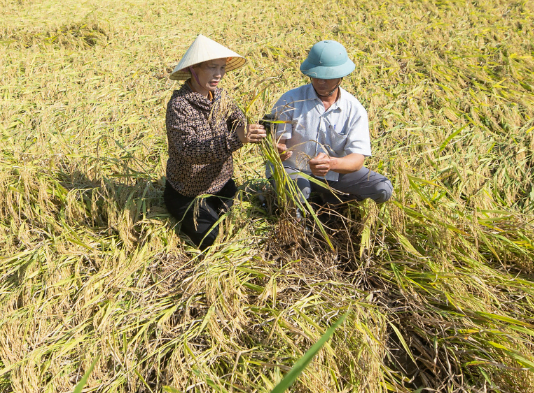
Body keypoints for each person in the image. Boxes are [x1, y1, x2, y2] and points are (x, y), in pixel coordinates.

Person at [163, 34, 267, 248]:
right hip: (187, 191)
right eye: (212, 68)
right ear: (193, 69)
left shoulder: (220, 96)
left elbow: (237, 118)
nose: (218, 74)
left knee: (234, 219)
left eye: (221, 68)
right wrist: (236, 140)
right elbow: (190, 150)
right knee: (211, 239)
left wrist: (249, 130)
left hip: (220, 184)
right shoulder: (179, 106)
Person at [268, 40, 393, 209]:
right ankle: (295, 220)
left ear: (341, 76)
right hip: (294, 170)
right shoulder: (290, 100)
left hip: (334, 174)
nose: (320, 82)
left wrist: (331, 164)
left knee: (382, 188)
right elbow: (278, 143)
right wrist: (278, 150)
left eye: (327, 78)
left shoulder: (354, 110)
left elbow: (357, 160)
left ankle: (334, 202)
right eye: (316, 76)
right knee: (298, 191)